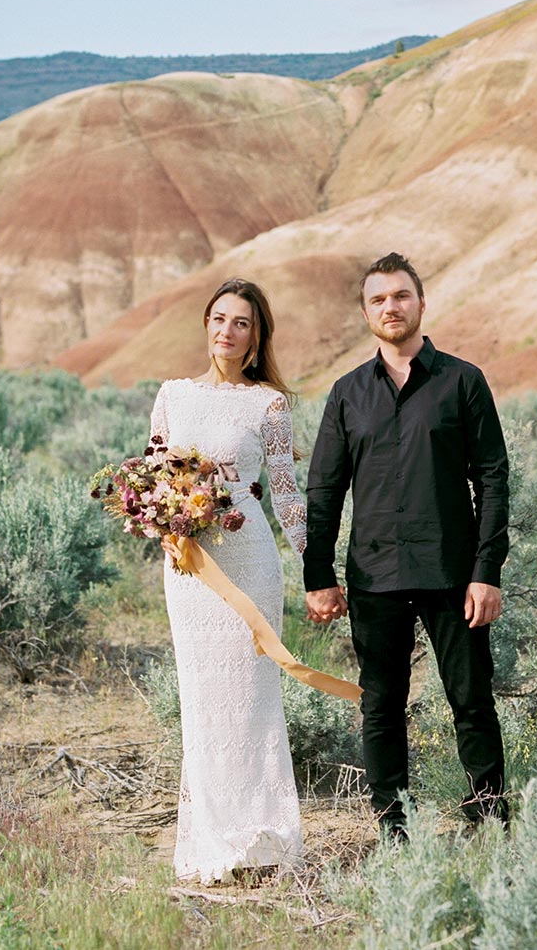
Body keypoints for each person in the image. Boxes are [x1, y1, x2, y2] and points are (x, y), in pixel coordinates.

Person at [304, 252, 510, 838]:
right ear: (365, 312)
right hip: (374, 576)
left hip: (453, 573)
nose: (390, 307)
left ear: (421, 303)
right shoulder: (347, 393)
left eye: (400, 296)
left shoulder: (463, 382)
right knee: (381, 707)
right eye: (378, 299)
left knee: (471, 702)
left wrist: (486, 571)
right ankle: (395, 830)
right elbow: (324, 488)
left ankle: (490, 824)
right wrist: (317, 575)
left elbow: (492, 478)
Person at [148, 278, 307, 883]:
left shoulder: (268, 404)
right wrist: (158, 519)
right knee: (203, 701)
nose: (227, 331)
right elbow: (151, 474)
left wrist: (318, 569)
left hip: (249, 560)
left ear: (256, 334)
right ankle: (211, 842)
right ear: (205, 324)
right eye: (219, 319)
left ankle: (263, 840)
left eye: (241, 322)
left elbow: (287, 494)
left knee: (253, 698)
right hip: (190, 567)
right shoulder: (172, 395)